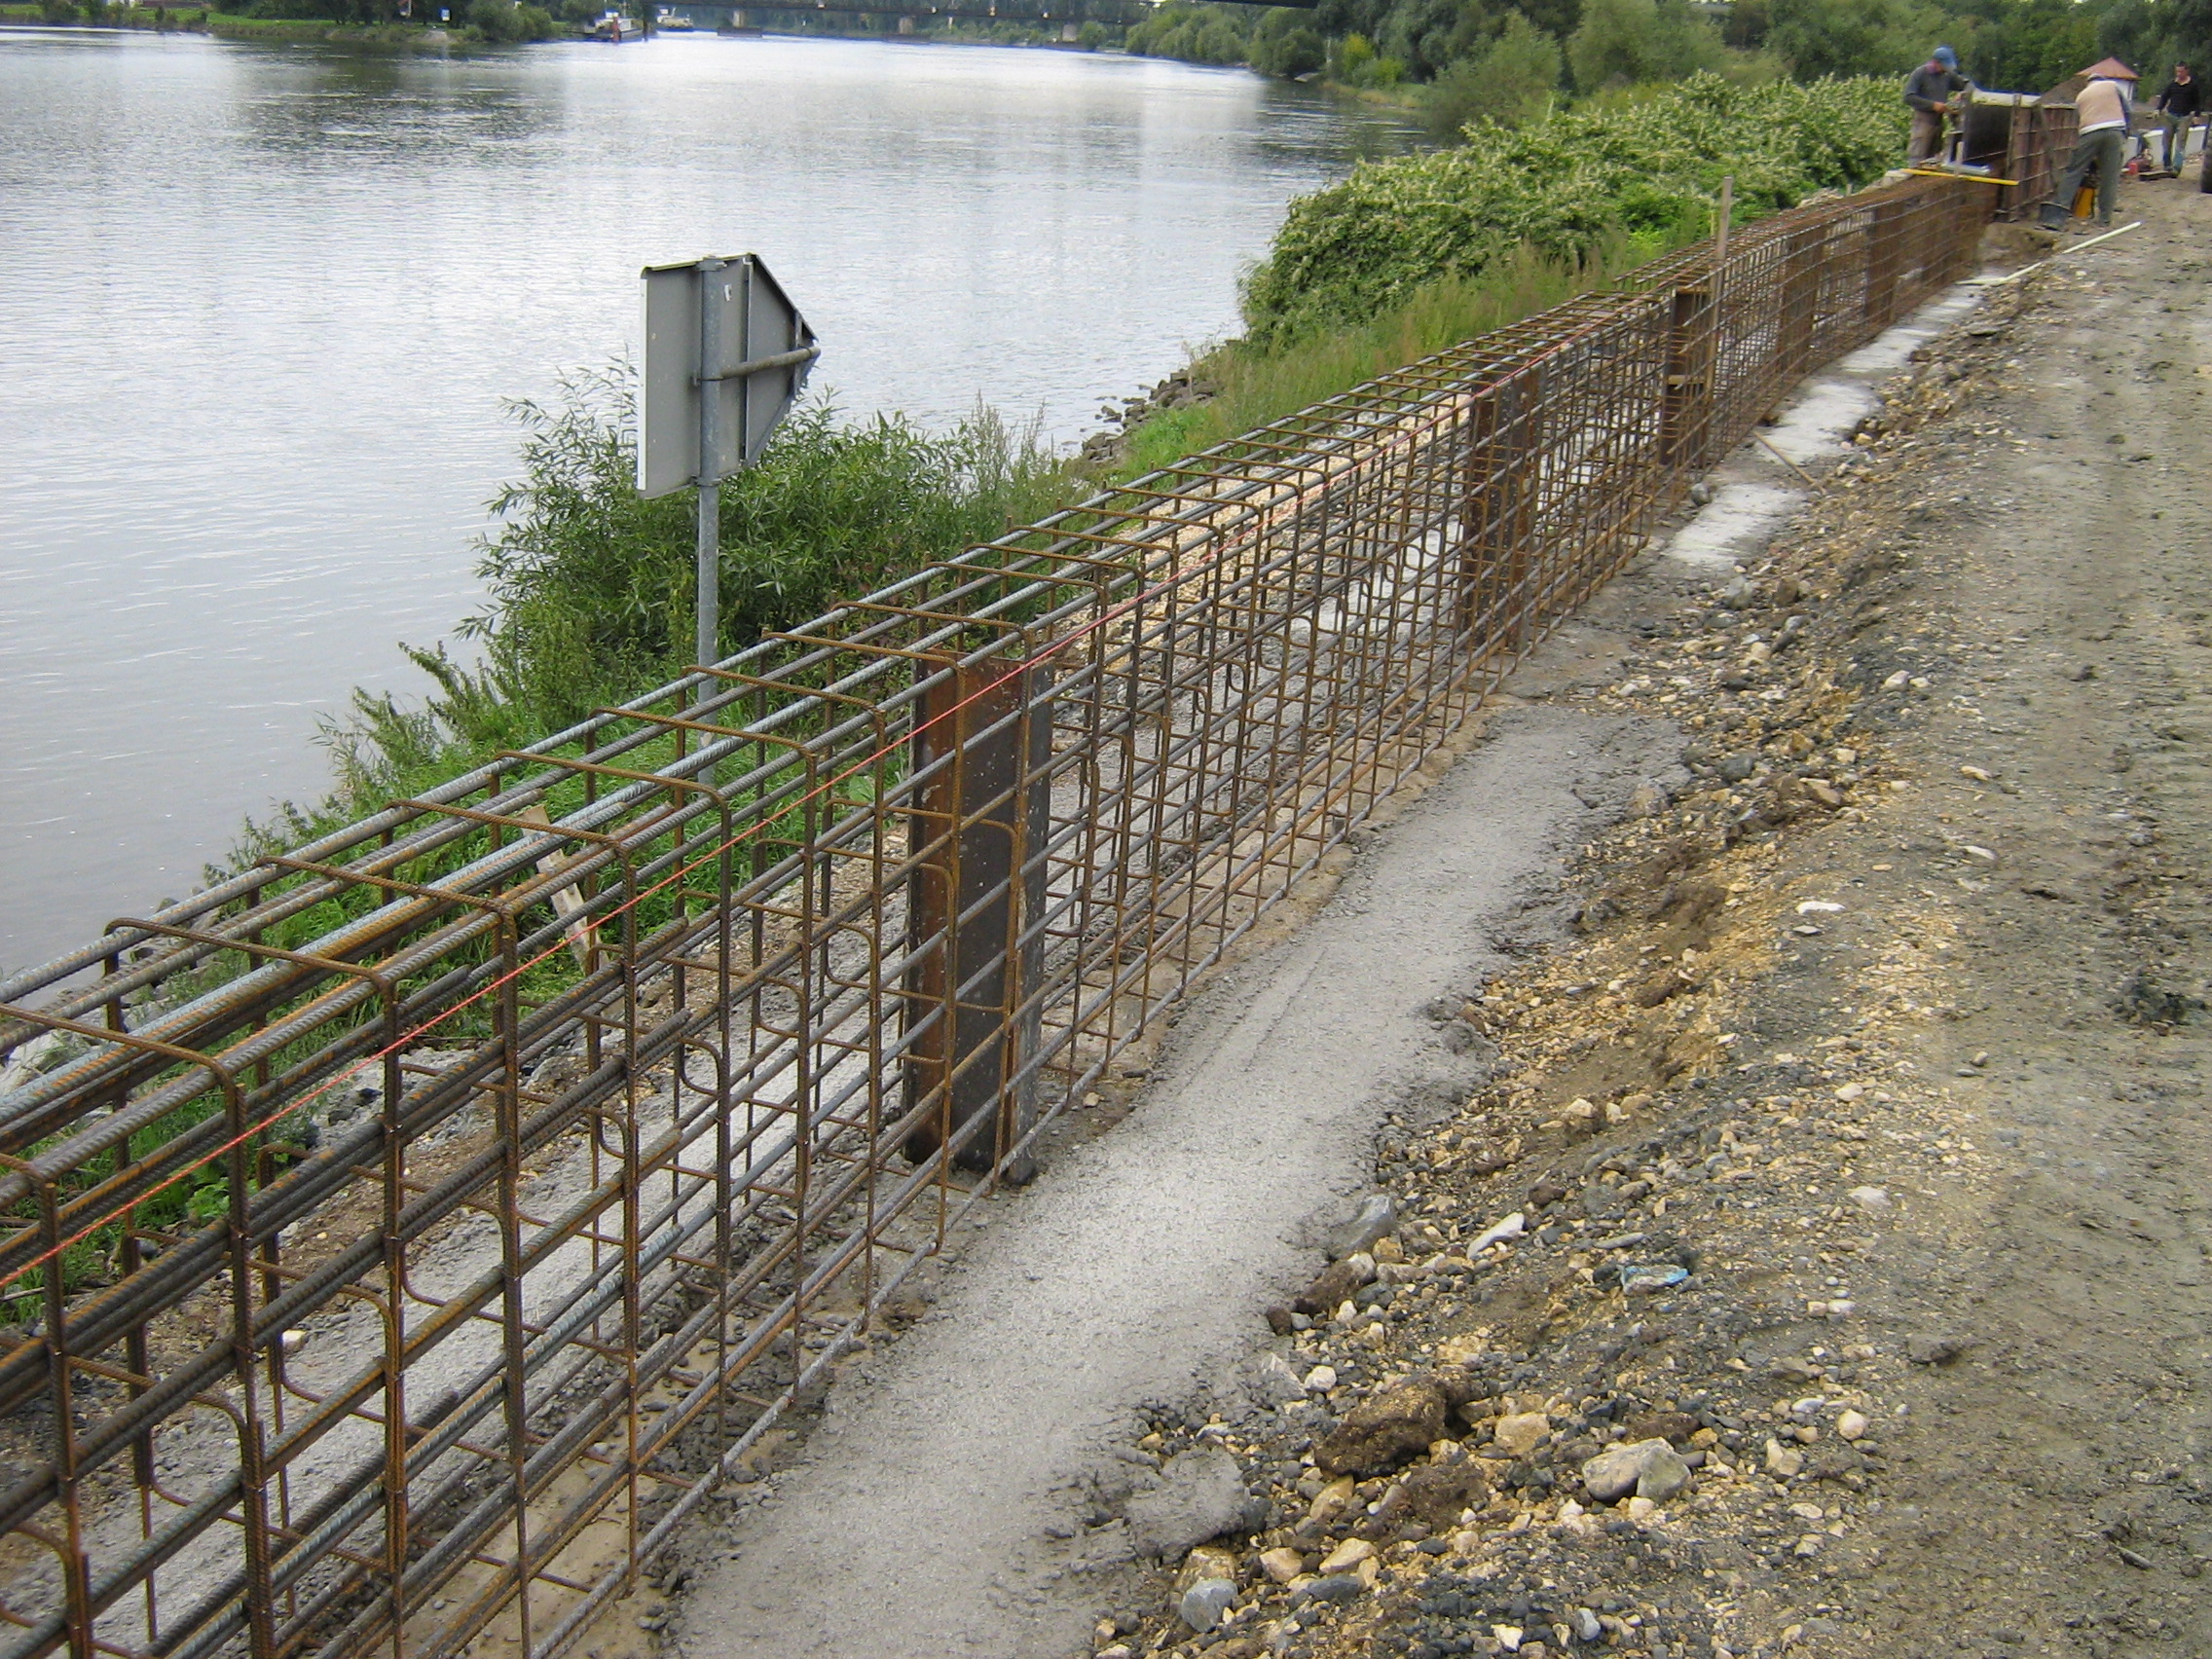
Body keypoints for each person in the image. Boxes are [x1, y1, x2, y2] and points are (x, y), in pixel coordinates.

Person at [2042, 66, 2132, 229]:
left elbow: (2079, 121)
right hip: (2114, 132)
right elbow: (2128, 111)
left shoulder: (2081, 96)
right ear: (2102, 80)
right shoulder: (2112, 86)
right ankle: (2104, 220)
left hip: (2089, 133)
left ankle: (2059, 215)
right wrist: (2125, 134)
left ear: (2088, 83)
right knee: (2110, 177)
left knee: (2073, 172)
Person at [1904, 46, 1970, 164]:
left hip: (1938, 122)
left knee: (1933, 159)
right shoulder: (1920, 73)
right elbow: (1908, 97)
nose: (1946, 69)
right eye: (1944, 66)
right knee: (1917, 158)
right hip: (1922, 121)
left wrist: (1963, 93)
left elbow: (1967, 85)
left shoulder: (1947, 75)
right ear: (1936, 62)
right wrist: (1932, 105)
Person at [2156, 63, 2201, 174]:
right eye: (2177, 72)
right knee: (2166, 142)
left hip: (2184, 117)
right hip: (2170, 115)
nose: (2179, 74)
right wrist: (2158, 109)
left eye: (2181, 72)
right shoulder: (2172, 84)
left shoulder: (2193, 86)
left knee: (2180, 143)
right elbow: (2164, 97)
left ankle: (2177, 168)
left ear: (2186, 71)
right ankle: (2167, 164)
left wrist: (2196, 116)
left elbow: (2197, 102)